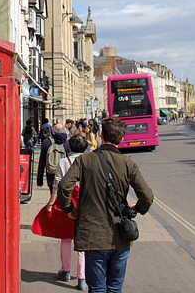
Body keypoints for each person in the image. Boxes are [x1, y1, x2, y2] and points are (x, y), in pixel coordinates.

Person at [57, 118, 154, 293]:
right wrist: (136, 209)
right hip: (120, 234)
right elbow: (147, 196)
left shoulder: (84, 161)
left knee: (97, 288)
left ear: (101, 136)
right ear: (122, 139)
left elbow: (64, 186)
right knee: (115, 288)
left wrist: (69, 209)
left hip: (93, 235)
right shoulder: (128, 164)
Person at [45, 134, 88, 290]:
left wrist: (50, 203)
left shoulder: (63, 162)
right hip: (84, 202)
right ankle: (82, 278)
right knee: (81, 240)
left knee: (66, 238)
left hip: (67, 201)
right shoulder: (89, 160)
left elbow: (57, 186)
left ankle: (66, 270)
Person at [37, 123, 71, 192]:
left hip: (51, 175)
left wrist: (39, 180)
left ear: (53, 131)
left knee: (53, 195)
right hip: (65, 174)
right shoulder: (68, 142)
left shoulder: (47, 142)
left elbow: (42, 161)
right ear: (64, 131)